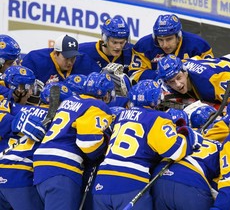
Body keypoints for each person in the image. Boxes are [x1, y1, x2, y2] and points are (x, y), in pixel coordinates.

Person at [92, 79, 203, 210]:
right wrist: (190, 138)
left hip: (101, 182)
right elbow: (175, 151)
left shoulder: (121, 115)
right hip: (129, 183)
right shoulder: (156, 118)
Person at [33, 72, 115, 210]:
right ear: (106, 94)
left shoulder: (70, 100)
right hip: (62, 168)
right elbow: (88, 143)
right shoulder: (97, 106)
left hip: (42, 165)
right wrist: (104, 148)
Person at [0, 65, 45, 210]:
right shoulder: (39, 112)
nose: (32, 92)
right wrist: (14, 122)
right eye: (30, 87)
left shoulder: (10, 106)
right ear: (19, 88)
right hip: (18, 175)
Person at [128, 14, 213, 83]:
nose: (164, 45)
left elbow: (210, 74)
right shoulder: (143, 46)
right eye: (160, 40)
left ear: (178, 36)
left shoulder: (199, 45)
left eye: (169, 39)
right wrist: (163, 75)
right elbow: (134, 75)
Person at [21, 34, 101, 84]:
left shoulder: (84, 61)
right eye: (66, 58)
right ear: (56, 53)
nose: (70, 62)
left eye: (73, 58)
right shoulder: (35, 60)